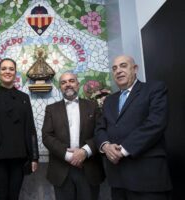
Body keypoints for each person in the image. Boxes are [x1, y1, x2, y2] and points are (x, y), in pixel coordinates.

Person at [94, 55, 172, 200]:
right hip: (118, 179)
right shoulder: (109, 100)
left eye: (123, 66)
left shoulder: (154, 89)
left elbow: (156, 123)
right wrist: (105, 146)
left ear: (135, 69)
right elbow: (100, 128)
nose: (118, 71)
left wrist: (122, 150)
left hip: (147, 177)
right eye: (115, 68)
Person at [0, 58, 39, 200]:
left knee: (14, 197)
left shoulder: (24, 98)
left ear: (15, 73)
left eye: (11, 69)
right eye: (4, 68)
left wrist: (34, 157)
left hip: (19, 159)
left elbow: (30, 128)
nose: (7, 71)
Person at [42, 72, 105, 200]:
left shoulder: (92, 106)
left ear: (78, 84)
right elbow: (47, 136)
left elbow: (100, 132)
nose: (68, 85)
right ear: (60, 87)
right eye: (63, 82)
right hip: (61, 170)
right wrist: (70, 156)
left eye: (71, 81)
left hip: (88, 168)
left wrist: (84, 151)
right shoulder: (51, 109)